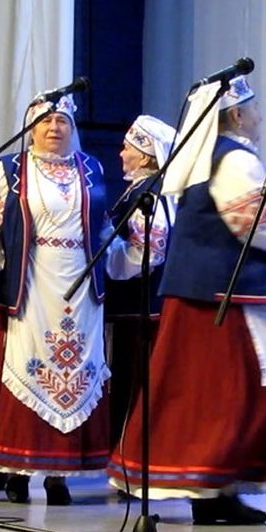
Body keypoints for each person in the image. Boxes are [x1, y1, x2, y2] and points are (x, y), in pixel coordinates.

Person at [109, 76, 266, 524]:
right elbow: (254, 222)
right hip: (226, 295)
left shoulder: (204, 158)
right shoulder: (235, 159)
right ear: (236, 114)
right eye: (253, 109)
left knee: (205, 394)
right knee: (235, 391)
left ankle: (213, 491)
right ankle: (211, 485)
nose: (259, 117)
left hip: (201, 292)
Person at [0, 93, 112, 506]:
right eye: (46, 121)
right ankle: (15, 469)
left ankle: (59, 475)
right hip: (32, 280)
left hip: (81, 285)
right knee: (26, 368)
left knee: (74, 371)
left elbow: (103, 226)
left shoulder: (91, 168)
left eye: (63, 121)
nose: (54, 128)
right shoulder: (10, 169)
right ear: (30, 129)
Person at [103, 114, 176, 453]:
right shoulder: (141, 190)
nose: (121, 154)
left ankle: (132, 453)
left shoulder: (150, 194)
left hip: (141, 306)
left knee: (134, 381)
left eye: (127, 148)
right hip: (136, 307)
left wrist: (109, 253)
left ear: (145, 156)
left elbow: (149, 252)